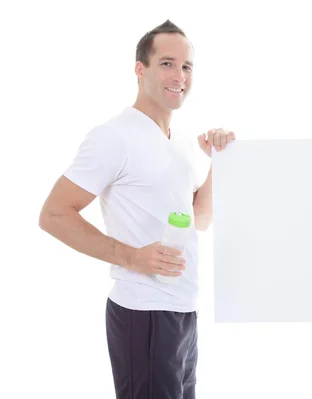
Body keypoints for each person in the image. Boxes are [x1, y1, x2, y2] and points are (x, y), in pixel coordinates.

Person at [38, 20, 235, 398]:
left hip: (182, 311)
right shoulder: (113, 137)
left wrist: (220, 163)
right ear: (140, 69)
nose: (179, 75)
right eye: (166, 63)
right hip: (143, 313)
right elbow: (54, 214)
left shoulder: (180, 141)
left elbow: (199, 221)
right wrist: (131, 257)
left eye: (186, 66)